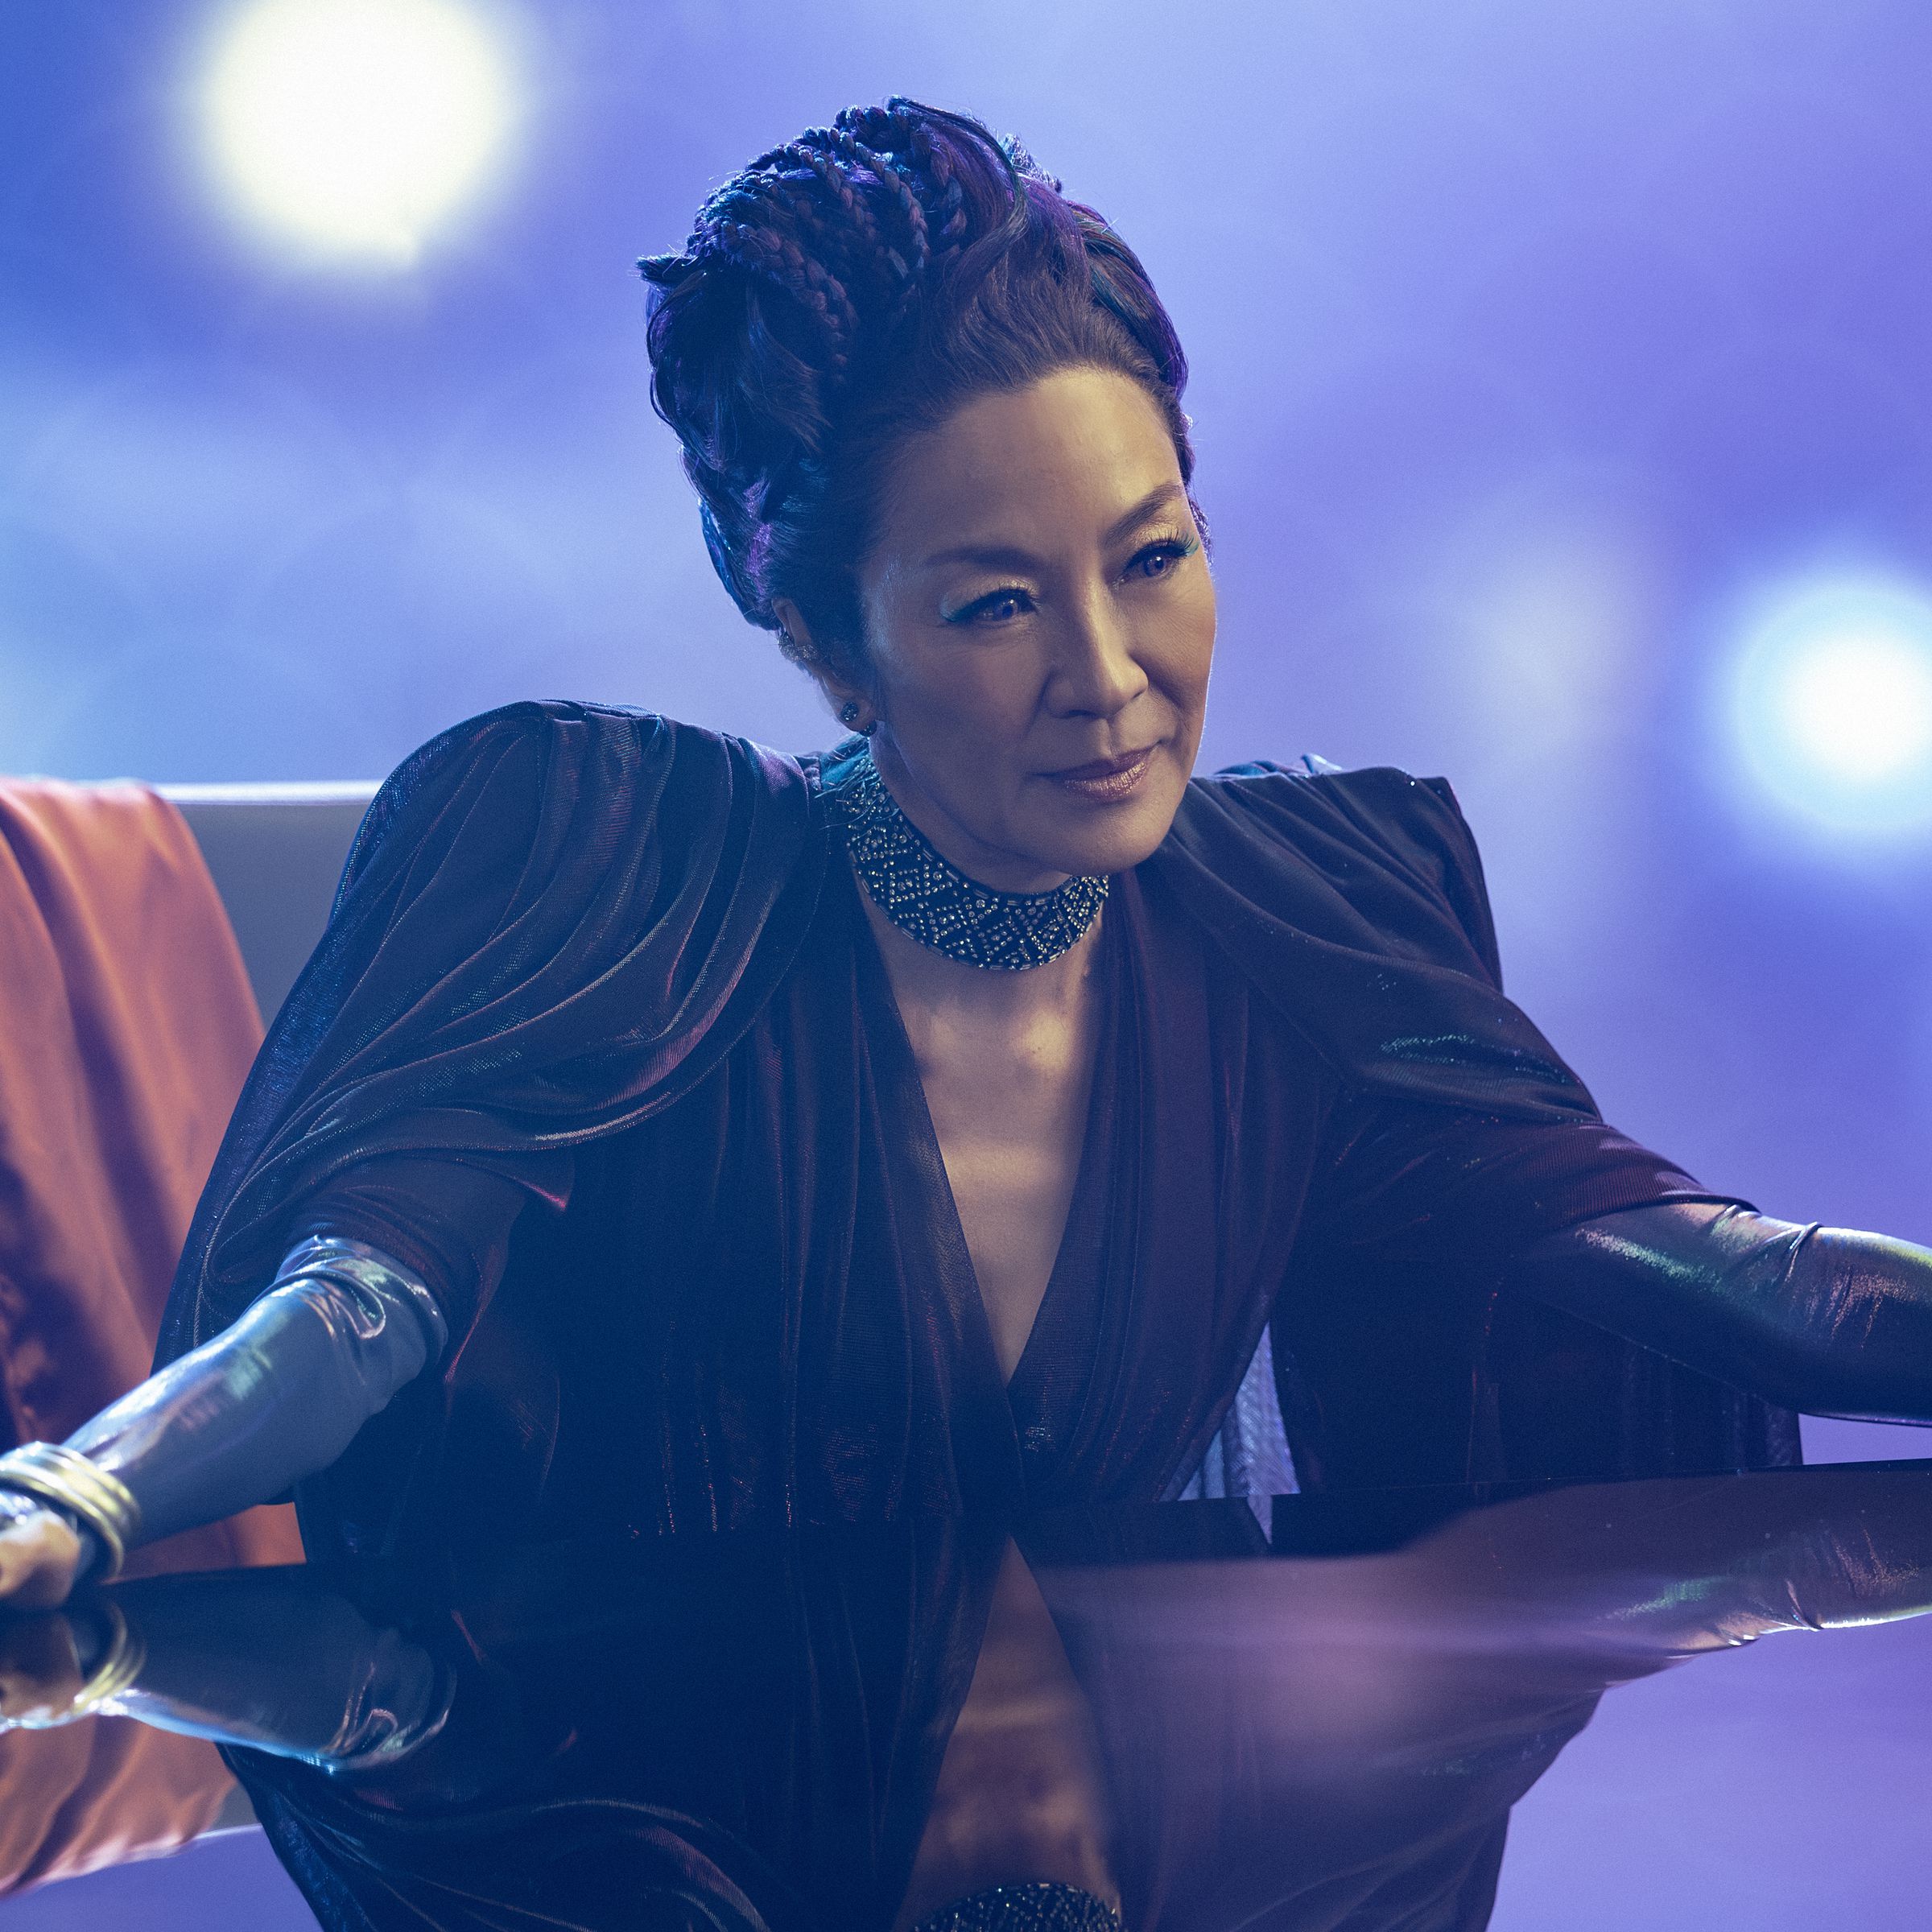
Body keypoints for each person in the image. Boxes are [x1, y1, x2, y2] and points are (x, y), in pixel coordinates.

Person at [3, 96, 1931, 1619]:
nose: (1111, 677)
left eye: (1154, 558)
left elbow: (1727, 1269)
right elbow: (350, 1316)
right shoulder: (614, 870)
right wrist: (72, 1499)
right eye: (997, 603)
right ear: (823, 642)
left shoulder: (1300, 916)